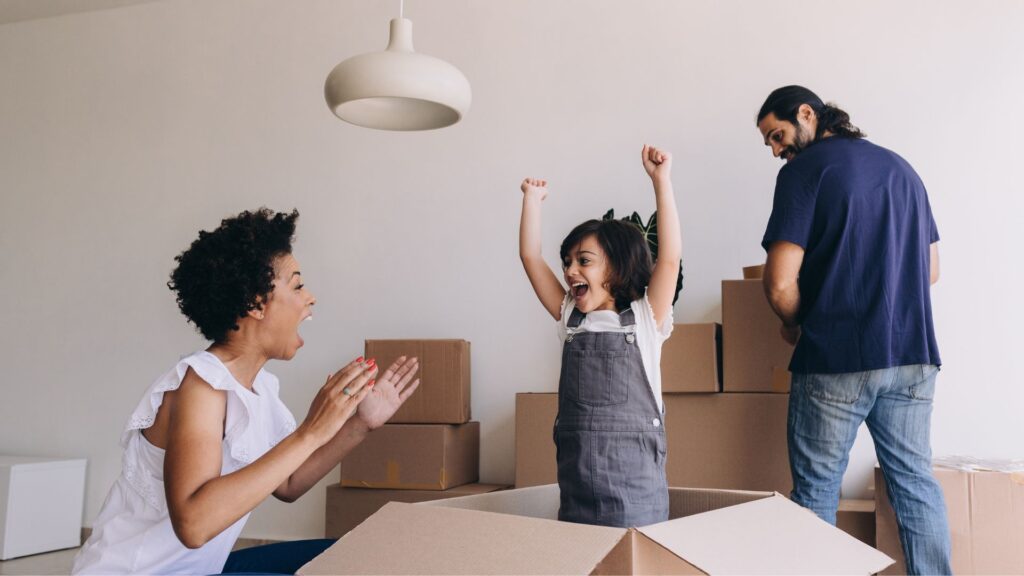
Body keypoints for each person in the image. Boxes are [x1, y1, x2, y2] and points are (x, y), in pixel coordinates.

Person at [72, 208, 420, 575]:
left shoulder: (261, 388)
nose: (310, 298)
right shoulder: (201, 385)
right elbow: (194, 524)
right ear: (255, 303)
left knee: (348, 554)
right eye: (298, 285)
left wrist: (359, 424)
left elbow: (287, 483)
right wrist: (310, 431)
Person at [756, 85, 950, 574]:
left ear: (807, 114)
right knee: (914, 483)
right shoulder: (902, 169)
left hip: (836, 358)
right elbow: (930, 272)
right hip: (912, 356)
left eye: (777, 135)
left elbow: (779, 284)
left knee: (819, 490)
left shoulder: (804, 173)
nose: (777, 150)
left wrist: (796, 323)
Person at [517, 145, 681, 528]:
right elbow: (529, 257)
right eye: (567, 262)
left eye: (584, 261)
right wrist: (532, 200)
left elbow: (670, 257)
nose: (571, 270)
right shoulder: (569, 317)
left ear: (619, 265)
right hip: (576, 485)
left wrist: (661, 181)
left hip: (635, 488)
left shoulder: (645, 317)